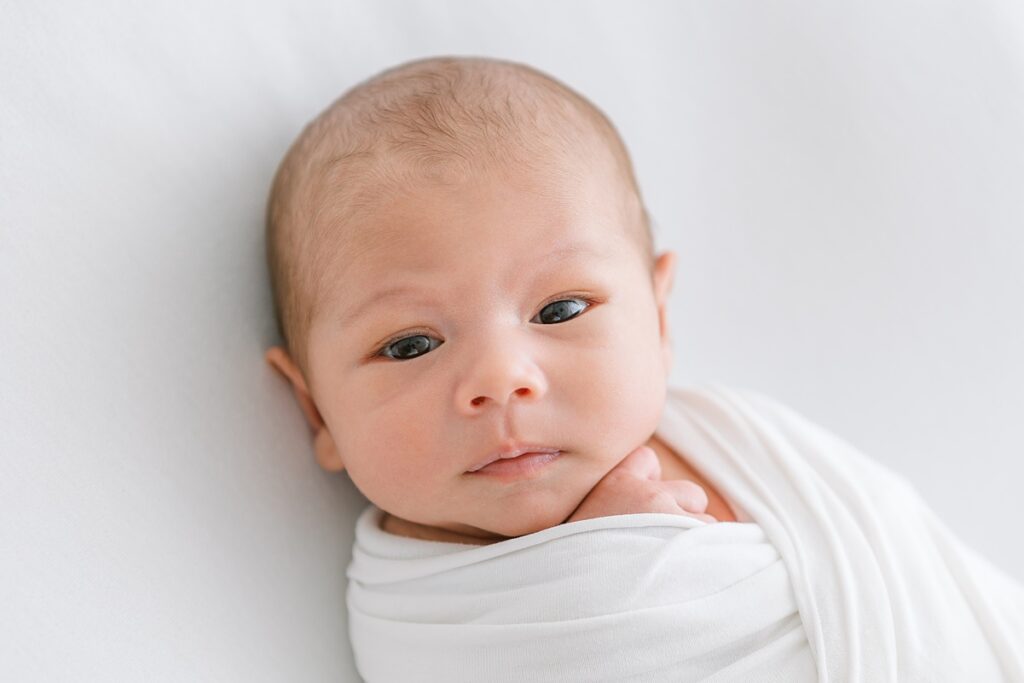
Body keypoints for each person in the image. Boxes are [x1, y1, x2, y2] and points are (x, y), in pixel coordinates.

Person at [263, 56, 1024, 682]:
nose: (502, 377)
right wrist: (599, 579)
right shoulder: (421, 615)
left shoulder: (742, 436)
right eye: (410, 345)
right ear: (318, 411)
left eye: (560, 310)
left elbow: (924, 577)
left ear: (659, 321)